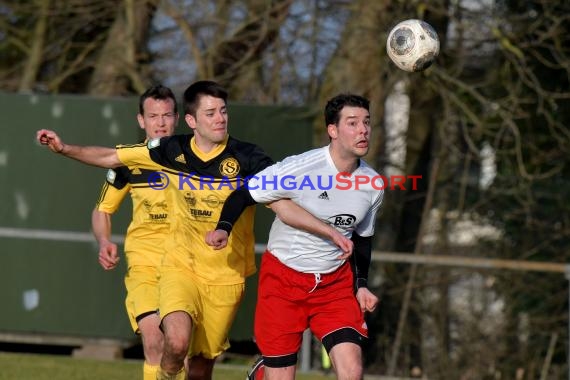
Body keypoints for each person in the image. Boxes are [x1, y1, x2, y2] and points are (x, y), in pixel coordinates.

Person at [36, 80, 352, 380]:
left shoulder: (249, 158)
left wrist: (326, 230)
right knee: (171, 341)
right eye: (210, 113)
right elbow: (110, 157)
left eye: (223, 111)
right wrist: (64, 149)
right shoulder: (167, 151)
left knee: (201, 368)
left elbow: (281, 205)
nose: (220, 119)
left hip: (225, 277)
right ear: (192, 120)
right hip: (177, 267)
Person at [205, 93, 382, 380]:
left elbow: (363, 238)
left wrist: (361, 284)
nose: (363, 130)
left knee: (353, 370)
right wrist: (223, 227)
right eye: (352, 123)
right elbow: (243, 193)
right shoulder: (301, 168)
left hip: (334, 285)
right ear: (333, 131)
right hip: (284, 281)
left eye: (366, 122)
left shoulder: (372, 184)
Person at [92, 85, 178, 380]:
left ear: (178, 118)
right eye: (153, 116)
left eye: (167, 115)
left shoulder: (196, 159)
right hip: (144, 264)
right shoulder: (128, 161)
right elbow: (102, 209)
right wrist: (104, 240)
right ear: (141, 120)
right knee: (154, 340)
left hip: (187, 264)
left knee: (180, 347)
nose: (161, 123)